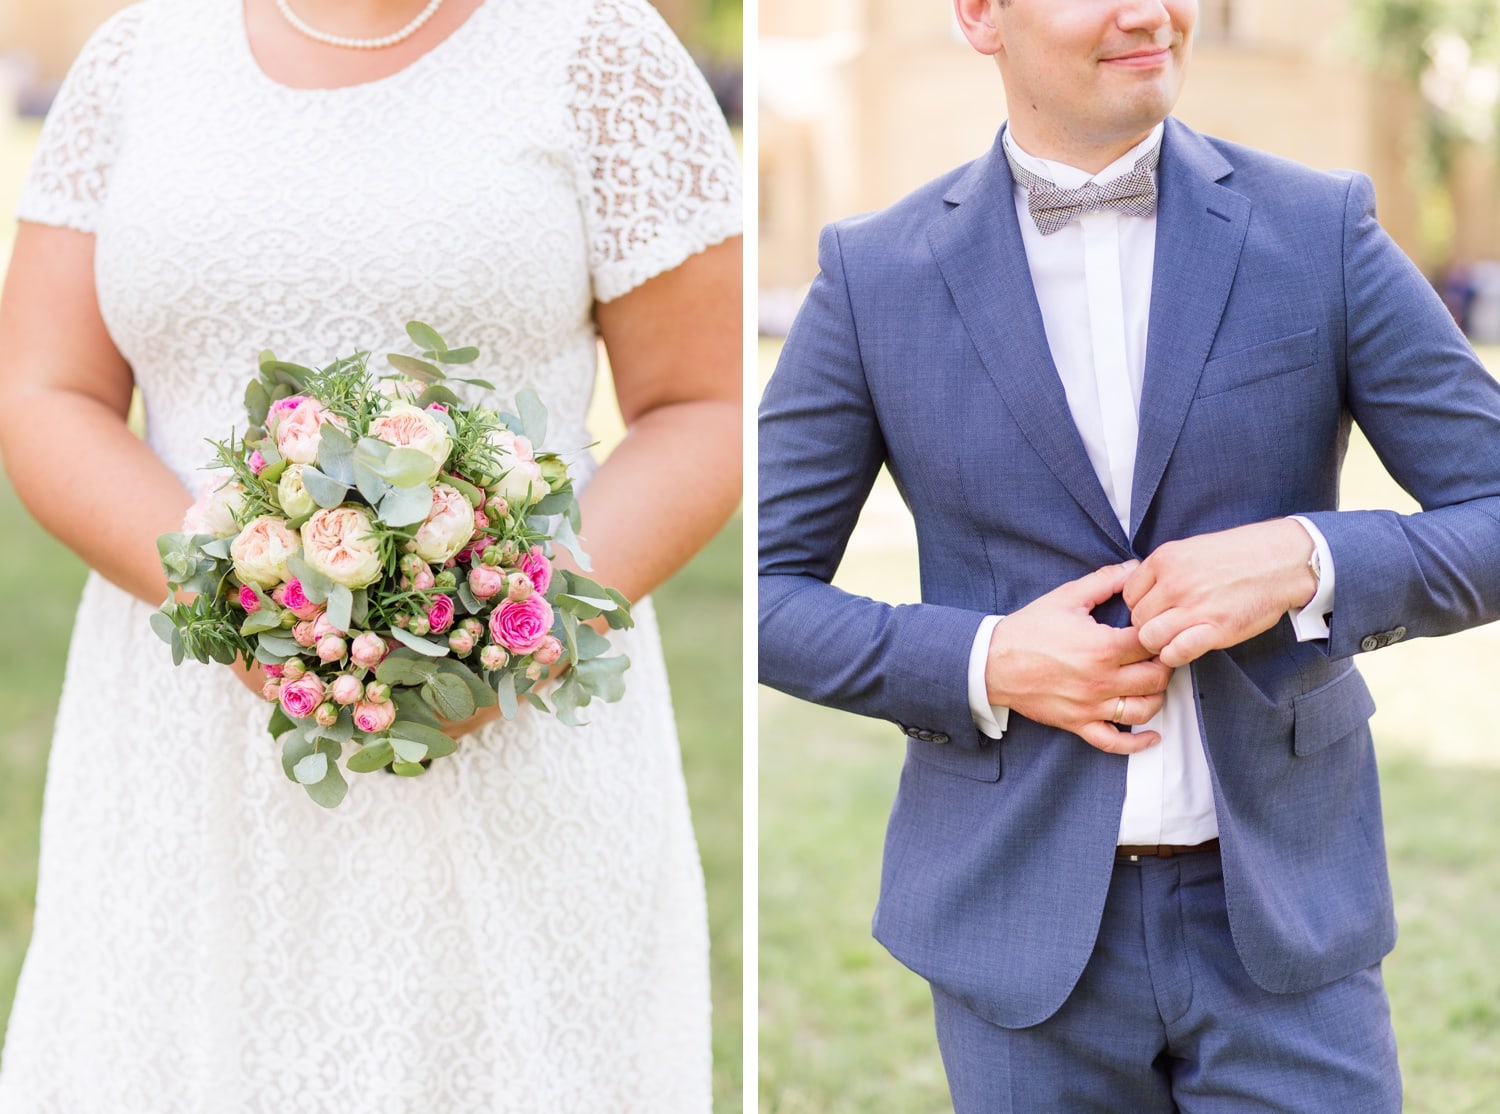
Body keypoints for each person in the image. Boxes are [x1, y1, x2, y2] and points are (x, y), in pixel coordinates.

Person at [758, 0, 1500, 1109]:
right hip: (1019, 938)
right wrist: (984, 661)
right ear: (979, 15)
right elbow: (765, 589)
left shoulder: (1320, 229)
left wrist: (1310, 559)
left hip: (1288, 926)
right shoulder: (876, 276)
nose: (1153, 11)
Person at [0, 0, 741, 1109]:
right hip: (184, 736)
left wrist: (511, 636)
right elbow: (44, 388)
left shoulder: (598, 47)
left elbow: (706, 403)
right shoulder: (138, 54)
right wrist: (232, 601)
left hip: (505, 733)